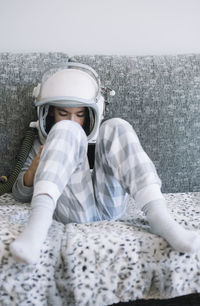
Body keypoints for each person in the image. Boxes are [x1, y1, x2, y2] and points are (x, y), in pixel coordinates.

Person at [10, 62, 200, 264]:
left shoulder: (105, 136)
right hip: (75, 211)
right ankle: (37, 229)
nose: (73, 120)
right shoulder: (45, 140)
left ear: (91, 114)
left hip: (111, 208)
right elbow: (18, 194)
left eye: (80, 115)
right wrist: (36, 166)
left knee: (118, 125)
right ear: (49, 114)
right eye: (63, 114)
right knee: (67, 130)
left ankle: (161, 220)